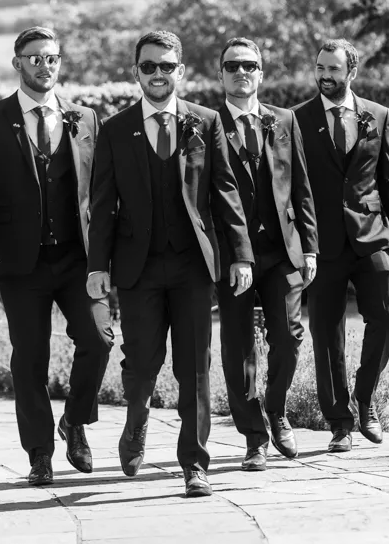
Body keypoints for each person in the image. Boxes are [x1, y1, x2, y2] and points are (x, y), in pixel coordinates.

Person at [86, 30, 253, 498]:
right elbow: (102, 204)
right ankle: (136, 418)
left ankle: (194, 464)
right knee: (141, 363)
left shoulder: (206, 121)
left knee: (194, 369)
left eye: (166, 66)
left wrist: (240, 255)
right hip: (137, 268)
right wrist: (97, 264)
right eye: (148, 66)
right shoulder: (116, 129)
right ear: (135, 72)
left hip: (193, 267)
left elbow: (225, 192)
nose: (157, 74)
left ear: (180, 71)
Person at [0, 27, 113, 487]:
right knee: (29, 358)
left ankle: (76, 422)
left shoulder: (84, 117)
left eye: (52, 58)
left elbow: (102, 187)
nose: (45, 66)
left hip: (77, 258)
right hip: (20, 262)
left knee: (99, 340)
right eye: (35, 58)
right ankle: (40, 454)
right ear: (17, 63)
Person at [292, 39, 389, 452]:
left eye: (333, 69)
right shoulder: (296, 120)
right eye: (320, 67)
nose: (325, 75)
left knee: (386, 314)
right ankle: (339, 424)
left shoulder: (378, 115)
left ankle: (366, 400)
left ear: (352, 72)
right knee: (327, 334)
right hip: (321, 240)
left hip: (372, 233)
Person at [214, 38, 319, 470]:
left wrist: (309, 245)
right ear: (220, 74)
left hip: (282, 248)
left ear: (262, 72)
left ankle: (275, 409)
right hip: (231, 252)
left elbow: (302, 186)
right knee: (238, 347)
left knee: (290, 337)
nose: (242, 72)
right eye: (233, 65)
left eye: (250, 65)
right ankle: (254, 437)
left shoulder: (285, 120)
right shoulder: (206, 123)